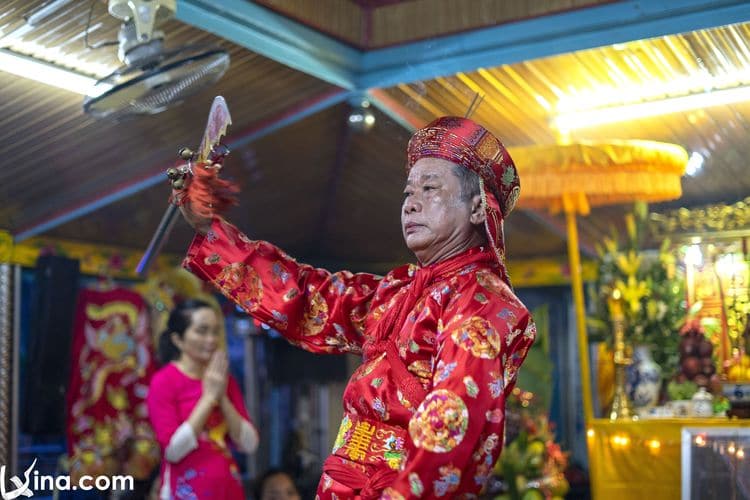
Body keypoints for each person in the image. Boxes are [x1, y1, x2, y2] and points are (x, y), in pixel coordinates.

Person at [178, 116, 536, 498]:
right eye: (407, 193)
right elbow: (309, 298)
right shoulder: (399, 291)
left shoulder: (483, 304)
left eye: (429, 188)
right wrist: (210, 229)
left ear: (479, 208)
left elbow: (451, 422)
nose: (411, 204)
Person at [147, 299, 259, 499]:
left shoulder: (224, 379)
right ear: (178, 340)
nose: (211, 339)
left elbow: (249, 443)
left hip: (227, 487)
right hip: (184, 489)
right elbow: (173, 450)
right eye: (202, 331)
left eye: (215, 331)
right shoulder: (164, 381)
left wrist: (221, 395)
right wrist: (208, 399)